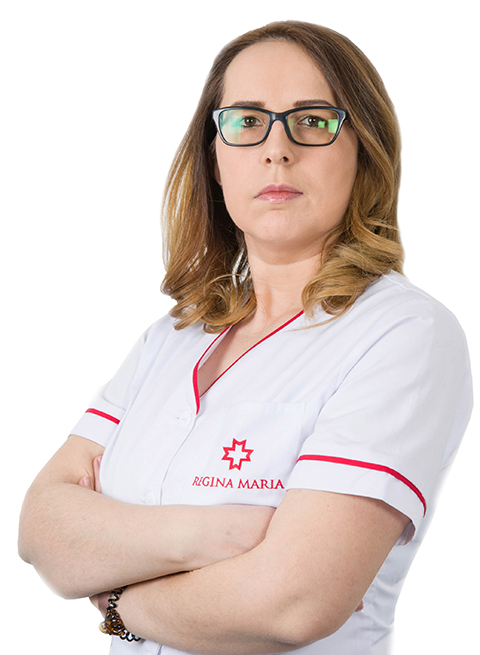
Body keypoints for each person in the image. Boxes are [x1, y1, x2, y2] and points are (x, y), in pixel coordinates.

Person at [18, 19, 473, 655]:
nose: (277, 149)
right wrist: (219, 535)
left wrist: (117, 598)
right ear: (215, 157)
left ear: (365, 151)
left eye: (312, 120)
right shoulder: (172, 337)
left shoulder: (405, 335)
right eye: (247, 121)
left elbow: (292, 603)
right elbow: (40, 531)